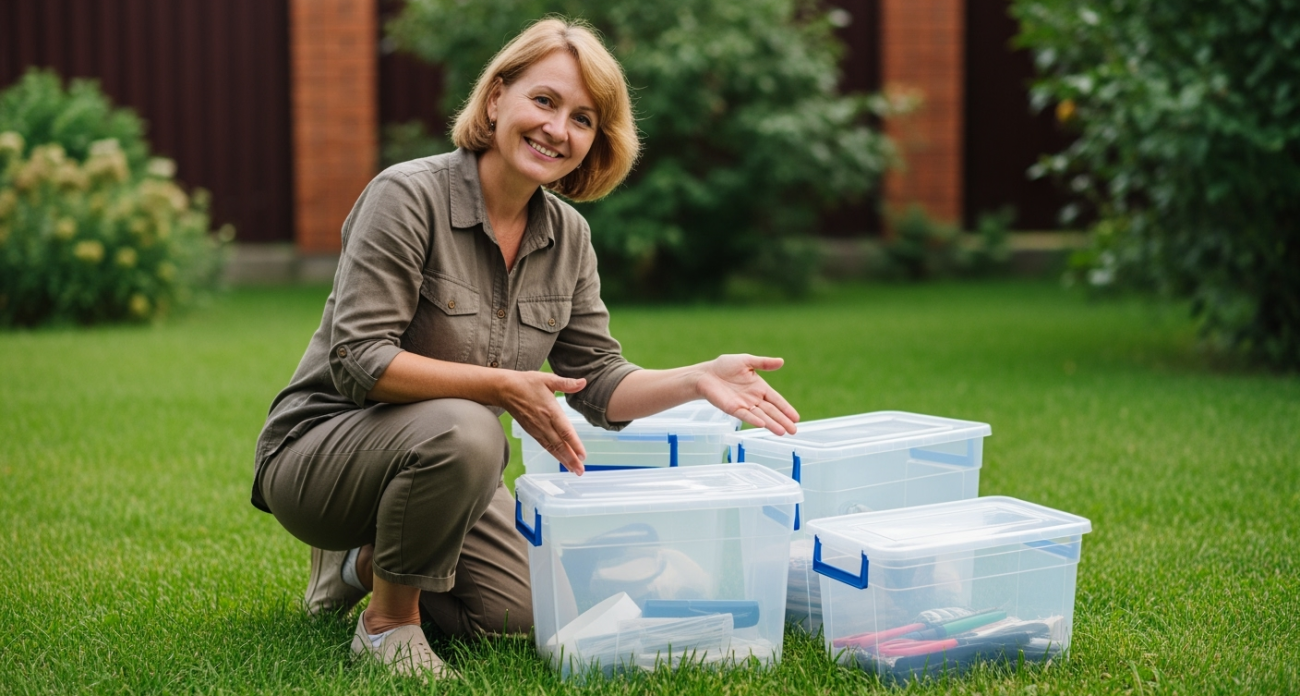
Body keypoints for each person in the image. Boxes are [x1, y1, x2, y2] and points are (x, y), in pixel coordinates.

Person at [252, 18, 799, 680]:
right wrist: (498, 387)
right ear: (495, 100)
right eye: (543, 101)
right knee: (471, 423)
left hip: (450, 463)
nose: (556, 129)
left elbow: (596, 382)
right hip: (322, 454)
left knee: (522, 611)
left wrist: (697, 378)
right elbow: (359, 360)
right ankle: (389, 624)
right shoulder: (407, 196)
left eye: (582, 119)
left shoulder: (568, 236)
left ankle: (363, 564)